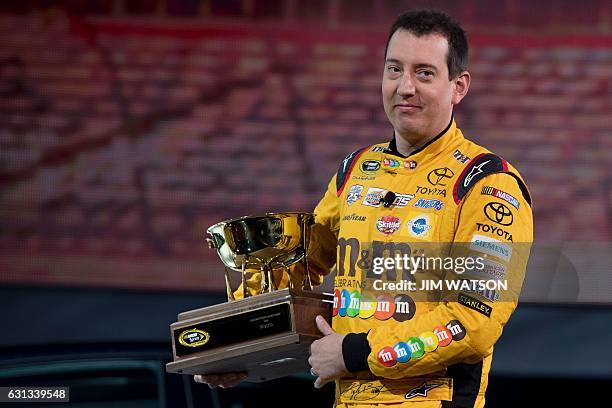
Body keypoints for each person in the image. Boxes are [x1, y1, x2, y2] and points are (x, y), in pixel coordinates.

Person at [195, 9, 533, 408]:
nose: (405, 87)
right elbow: (296, 269)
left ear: (458, 86)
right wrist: (232, 347)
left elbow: (475, 322)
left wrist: (354, 352)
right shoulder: (355, 171)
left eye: (424, 73)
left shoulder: (489, 184)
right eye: (394, 69)